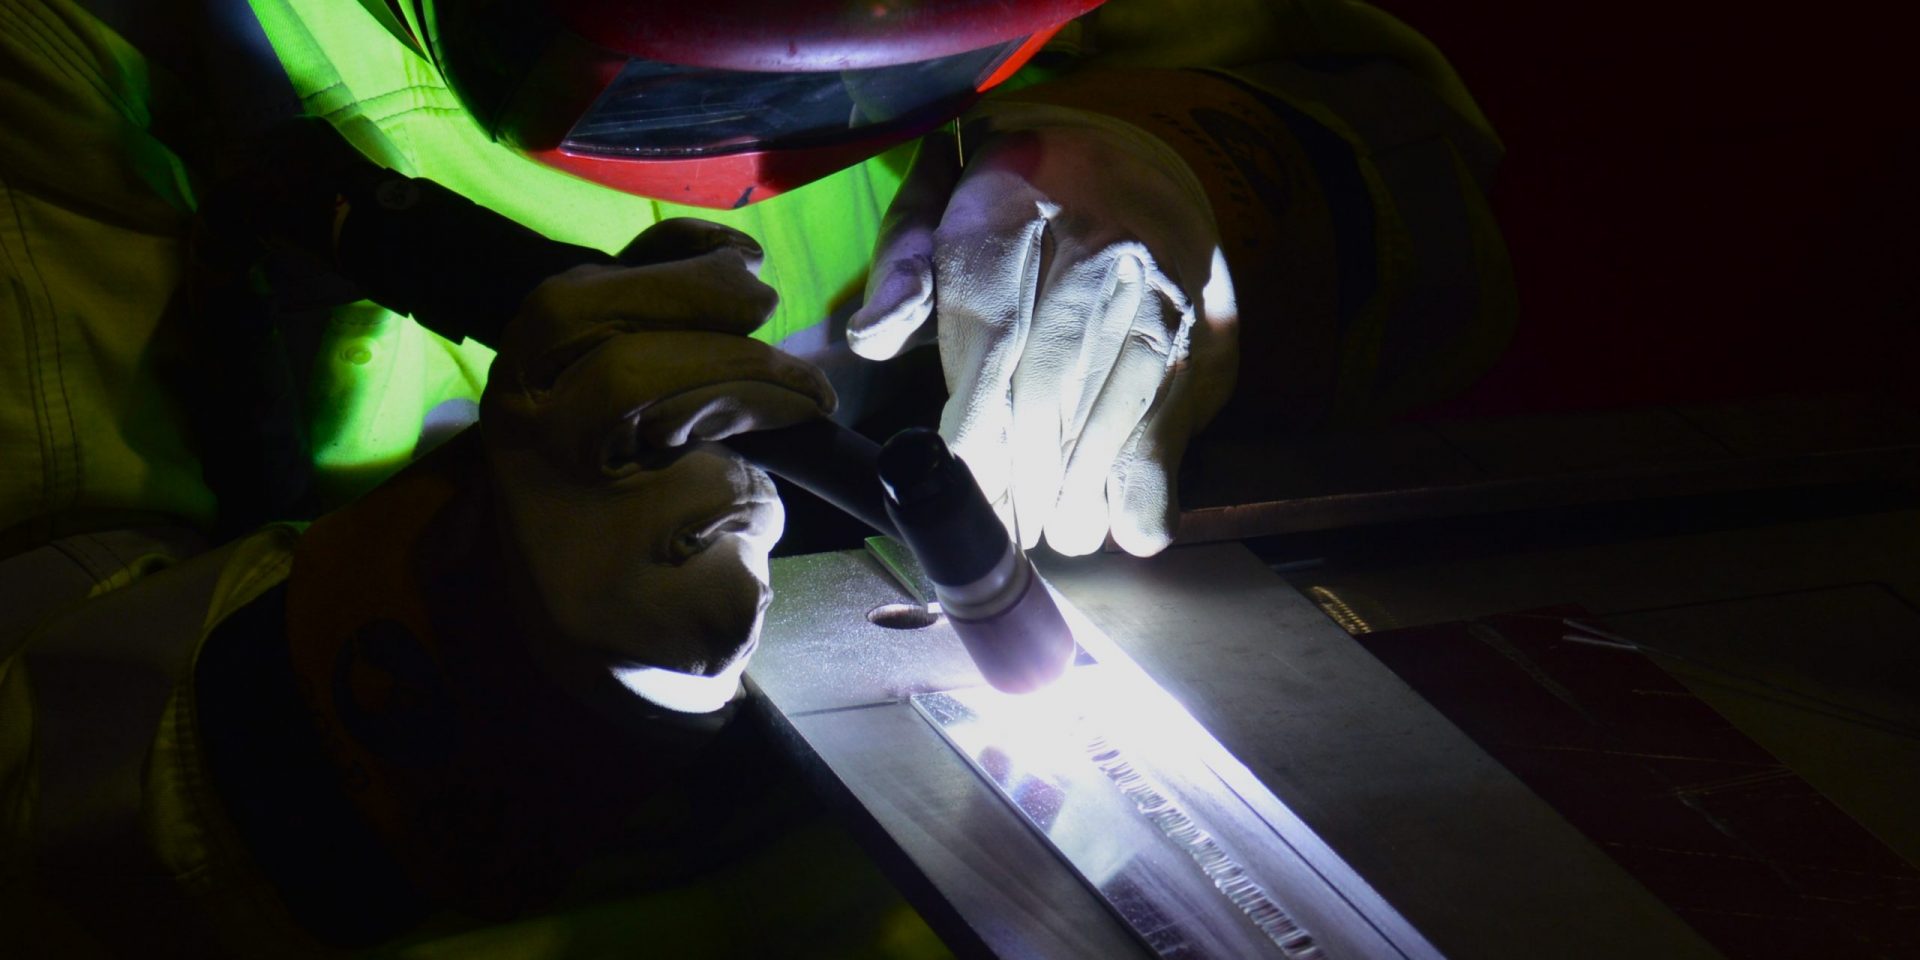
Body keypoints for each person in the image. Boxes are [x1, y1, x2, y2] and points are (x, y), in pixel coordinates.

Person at [0, 0, 1511, 953]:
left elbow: (1436, 196)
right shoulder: (84, 45)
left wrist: (1167, 165)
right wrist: (464, 641)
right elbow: (36, 810)